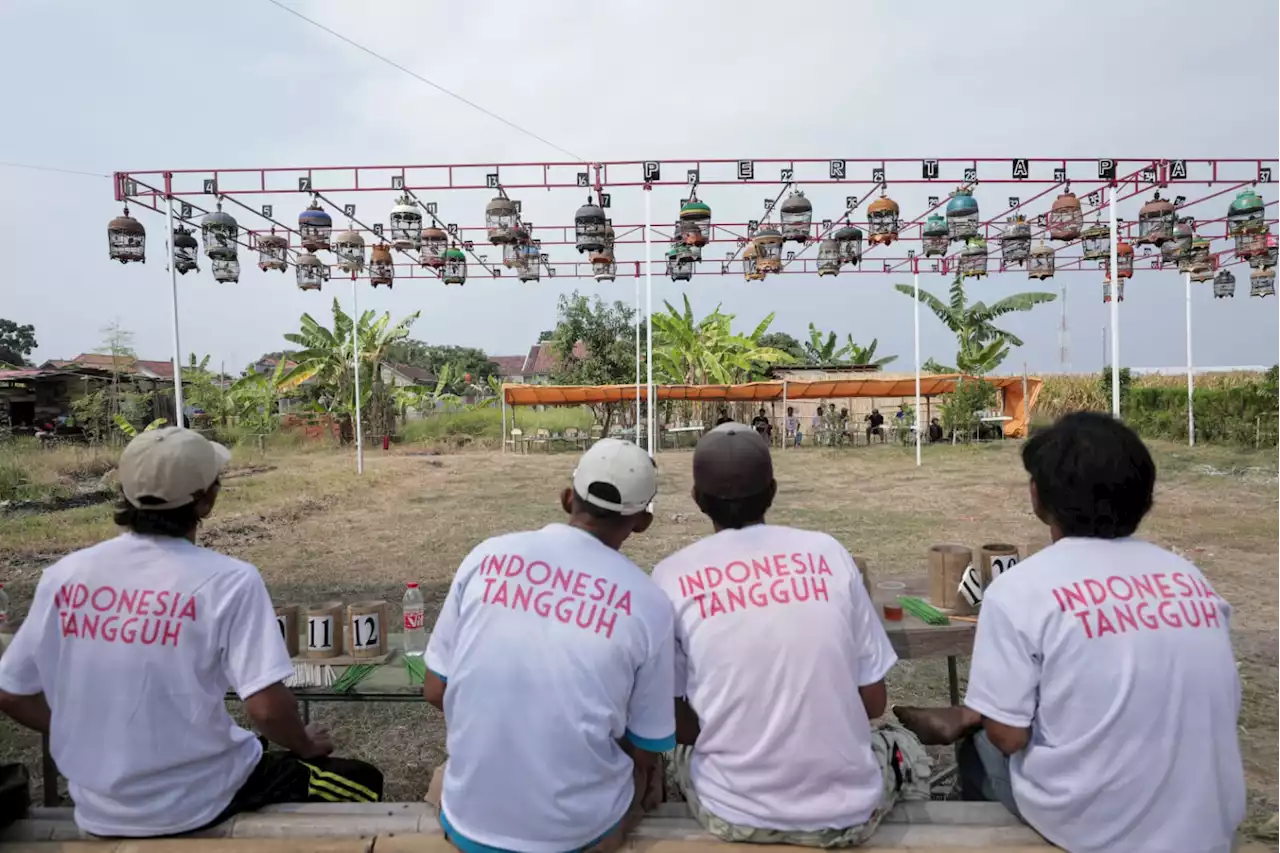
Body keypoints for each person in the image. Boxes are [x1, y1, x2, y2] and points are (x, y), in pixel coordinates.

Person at [0, 428, 382, 838]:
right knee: (361, 780)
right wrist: (305, 745)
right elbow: (268, 708)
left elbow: (10, 692)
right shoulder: (230, 580)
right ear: (206, 499)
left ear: (127, 495)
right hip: (199, 799)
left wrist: (89, 735)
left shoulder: (65, 575)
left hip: (100, 807)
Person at [895, 412, 1244, 853]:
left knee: (982, 748)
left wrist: (981, 720)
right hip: (1206, 827)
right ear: (1145, 496)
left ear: (1038, 497)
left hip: (1096, 833)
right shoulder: (1189, 578)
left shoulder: (1021, 588)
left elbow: (1009, 737)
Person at [652, 423, 931, 846]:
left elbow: (673, 721)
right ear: (773, 491)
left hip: (734, 815)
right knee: (900, 742)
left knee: (677, 753)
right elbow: (874, 703)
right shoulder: (829, 553)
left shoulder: (671, 576)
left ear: (696, 499)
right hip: (848, 816)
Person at [423, 438, 675, 853]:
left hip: (470, 822)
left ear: (566, 497)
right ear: (643, 522)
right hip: (580, 835)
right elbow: (646, 747)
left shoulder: (487, 557)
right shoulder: (648, 603)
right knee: (650, 781)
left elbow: (435, 689)